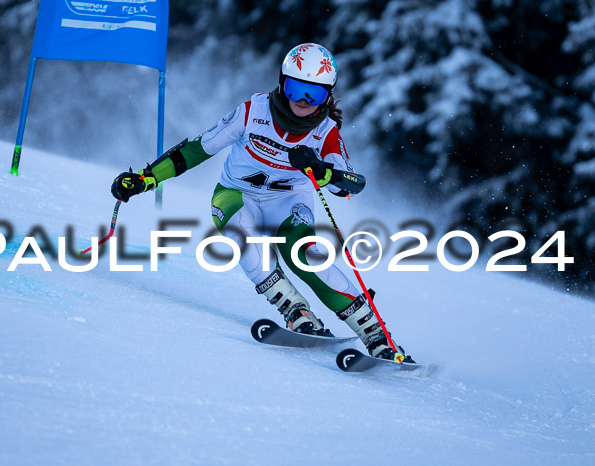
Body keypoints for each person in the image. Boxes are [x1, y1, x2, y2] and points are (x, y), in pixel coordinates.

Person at [111, 43, 410, 362]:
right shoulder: (253, 112)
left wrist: (321, 169)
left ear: (328, 96)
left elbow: (351, 184)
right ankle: (296, 311)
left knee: (305, 255)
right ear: (283, 83)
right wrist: (145, 179)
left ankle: (376, 336)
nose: (302, 103)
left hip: (288, 199)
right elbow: (197, 149)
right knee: (243, 235)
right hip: (236, 193)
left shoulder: (325, 132)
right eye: (296, 90)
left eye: (314, 95)